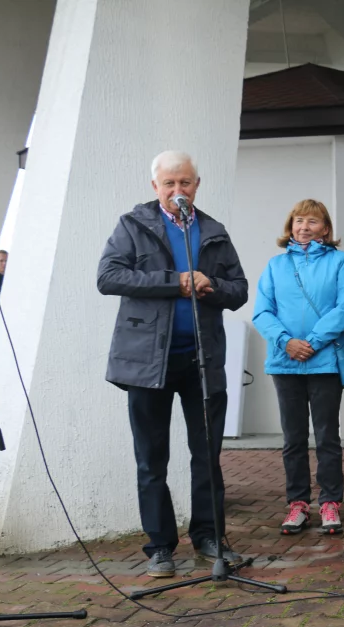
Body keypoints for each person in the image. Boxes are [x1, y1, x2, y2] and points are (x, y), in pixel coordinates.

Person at [97, 150, 248, 578]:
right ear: (155, 187)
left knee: (207, 456)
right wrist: (175, 282)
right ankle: (160, 546)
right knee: (152, 459)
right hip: (148, 363)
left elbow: (239, 290)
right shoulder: (132, 226)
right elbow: (108, 276)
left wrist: (211, 285)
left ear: (197, 185)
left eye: (185, 183)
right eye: (169, 184)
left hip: (202, 359)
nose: (178, 191)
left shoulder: (213, 231)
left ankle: (209, 537)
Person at [253, 199, 344, 536]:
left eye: (312, 221)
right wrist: (286, 341)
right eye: (299, 220)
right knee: (293, 438)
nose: (304, 227)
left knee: (327, 435)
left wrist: (311, 341)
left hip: (325, 361)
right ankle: (297, 503)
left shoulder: (341, 262)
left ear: (325, 228)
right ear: (290, 226)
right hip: (285, 363)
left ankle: (330, 502)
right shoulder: (275, 266)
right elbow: (262, 312)